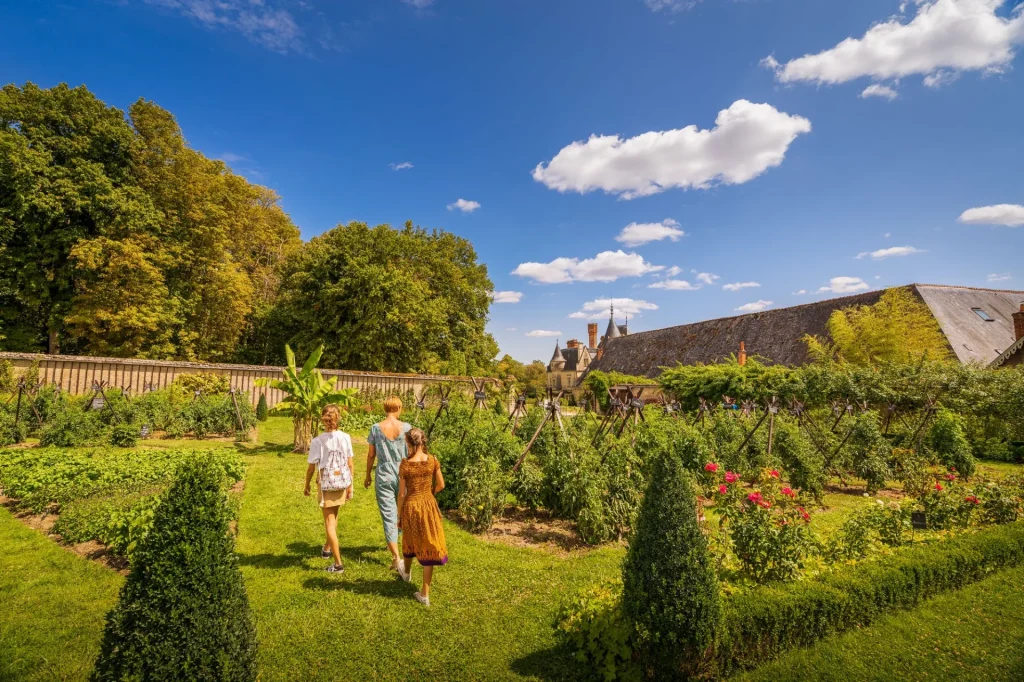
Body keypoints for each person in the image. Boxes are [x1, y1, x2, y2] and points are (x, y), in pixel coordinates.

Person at [397, 428, 448, 606]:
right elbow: (441, 484)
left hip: (411, 505)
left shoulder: (405, 464)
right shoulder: (432, 460)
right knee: (428, 544)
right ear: (423, 441)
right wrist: (428, 494)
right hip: (428, 504)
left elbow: (402, 494)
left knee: (409, 539)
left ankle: (406, 572)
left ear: (409, 443)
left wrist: (399, 513)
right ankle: (425, 593)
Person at [304, 404, 354, 573]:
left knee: (329, 523)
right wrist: (350, 486)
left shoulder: (318, 441)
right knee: (335, 516)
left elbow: (311, 467)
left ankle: (338, 564)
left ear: (323, 419)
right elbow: (350, 464)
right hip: (341, 481)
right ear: (338, 418)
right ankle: (327, 548)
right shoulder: (346, 437)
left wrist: (307, 485)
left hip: (326, 484)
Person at [364, 396, 412, 572]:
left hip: (384, 474)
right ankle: (399, 548)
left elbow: (371, 455)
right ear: (399, 407)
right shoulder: (406, 428)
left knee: (388, 514)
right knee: (402, 511)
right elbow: (412, 453)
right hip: (403, 475)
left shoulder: (375, 429)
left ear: (385, 408)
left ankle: (396, 557)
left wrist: (367, 474)